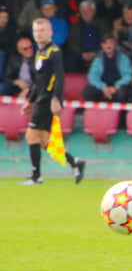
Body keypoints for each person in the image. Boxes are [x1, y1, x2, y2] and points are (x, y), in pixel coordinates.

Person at [20, 19, 86, 185]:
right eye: (36, 31)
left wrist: (56, 98)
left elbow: (60, 77)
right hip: (40, 99)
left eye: (42, 30)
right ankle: (75, 162)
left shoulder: (54, 51)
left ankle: (36, 176)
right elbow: (37, 81)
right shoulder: (39, 53)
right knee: (43, 141)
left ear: (50, 32)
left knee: (31, 135)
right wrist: (31, 100)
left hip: (48, 99)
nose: (38, 33)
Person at [83, 34, 132, 102]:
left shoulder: (123, 57)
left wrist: (116, 86)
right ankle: (95, 112)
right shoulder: (98, 58)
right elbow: (92, 76)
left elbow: (128, 75)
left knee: (122, 94)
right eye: (105, 43)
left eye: (111, 43)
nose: (108, 45)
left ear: (115, 44)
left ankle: (121, 113)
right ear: (102, 45)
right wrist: (103, 87)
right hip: (102, 86)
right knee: (88, 92)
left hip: (119, 86)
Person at [65, 0, 102, 73]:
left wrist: (97, 53)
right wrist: (82, 54)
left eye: (88, 11)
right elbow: (71, 44)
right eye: (82, 11)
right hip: (81, 54)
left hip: (99, 54)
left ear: (94, 11)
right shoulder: (75, 25)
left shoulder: (102, 24)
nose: (85, 13)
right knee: (69, 60)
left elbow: (106, 40)